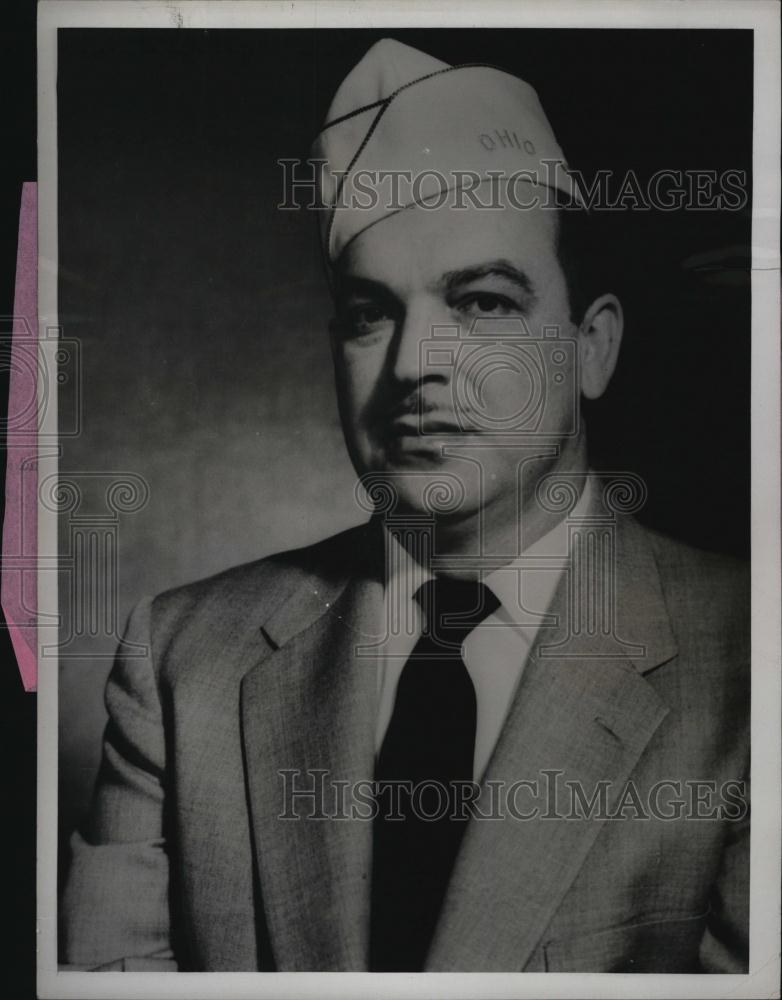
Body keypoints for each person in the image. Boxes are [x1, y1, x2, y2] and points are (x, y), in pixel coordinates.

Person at [61, 38, 749, 973]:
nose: (416, 361)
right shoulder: (182, 663)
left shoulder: (756, 666)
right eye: (367, 314)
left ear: (592, 348)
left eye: (483, 302)